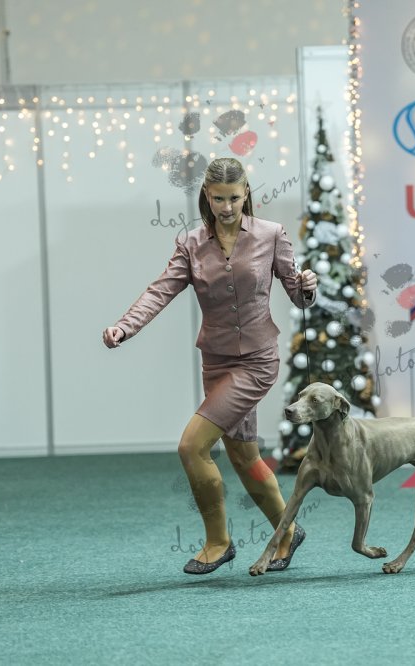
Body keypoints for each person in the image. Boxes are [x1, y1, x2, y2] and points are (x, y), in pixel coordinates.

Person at [102, 157, 317, 574]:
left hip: (257, 361)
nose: (227, 207)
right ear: (207, 196)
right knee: (244, 458)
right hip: (216, 362)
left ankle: (218, 543)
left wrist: (307, 286)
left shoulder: (271, 234)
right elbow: (160, 291)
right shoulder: (191, 243)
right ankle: (287, 532)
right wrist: (125, 327)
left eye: (234, 198)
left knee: (191, 447)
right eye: (219, 199)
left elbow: (298, 294)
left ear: (246, 192)